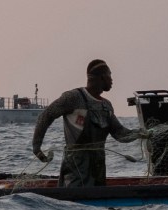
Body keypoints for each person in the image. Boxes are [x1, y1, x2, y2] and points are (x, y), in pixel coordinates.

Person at [32, 59, 136, 189]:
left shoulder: (106, 105)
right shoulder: (73, 98)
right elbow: (46, 116)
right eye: (110, 75)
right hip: (76, 167)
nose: (112, 80)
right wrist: (36, 146)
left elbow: (120, 133)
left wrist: (140, 134)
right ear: (102, 77)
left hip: (98, 167)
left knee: (99, 202)